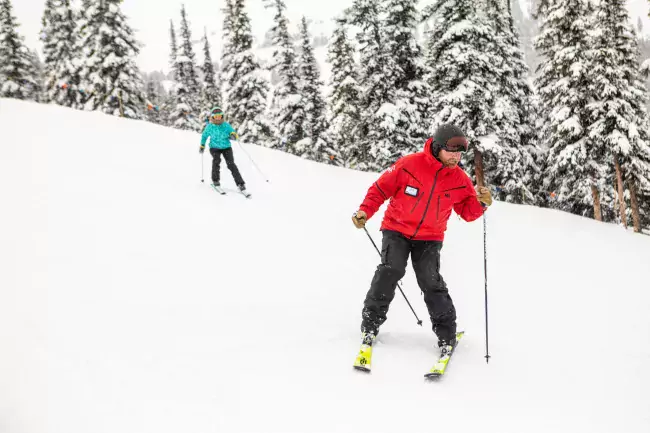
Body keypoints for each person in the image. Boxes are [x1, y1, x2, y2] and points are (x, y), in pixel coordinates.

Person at [351, 124, 493, 359]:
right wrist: (365, 212)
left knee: (431, 281)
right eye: (451, 152)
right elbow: (379, 189)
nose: (456, 157)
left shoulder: (460, 179)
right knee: (390, 270)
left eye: (459, 153)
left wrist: (482, 202)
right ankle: (370, 324)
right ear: (437, 147)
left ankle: (447, 334)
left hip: (430, 237)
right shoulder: (409, 165)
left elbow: (468, 212)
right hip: (396, 229)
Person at [199, 107, 247, 194]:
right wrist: (202, 145)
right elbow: (204, 136)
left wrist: (233, 135)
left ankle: (240, 184)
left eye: (219, 116)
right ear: (212, 117)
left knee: (231, 164)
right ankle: (215, 181)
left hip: (226, 147)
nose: (218, 118)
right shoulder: (210, 126)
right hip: (214, 148)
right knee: (216, 161)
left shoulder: (225, 125)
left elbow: (233, 132)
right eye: (216, 116)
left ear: (222, 116)